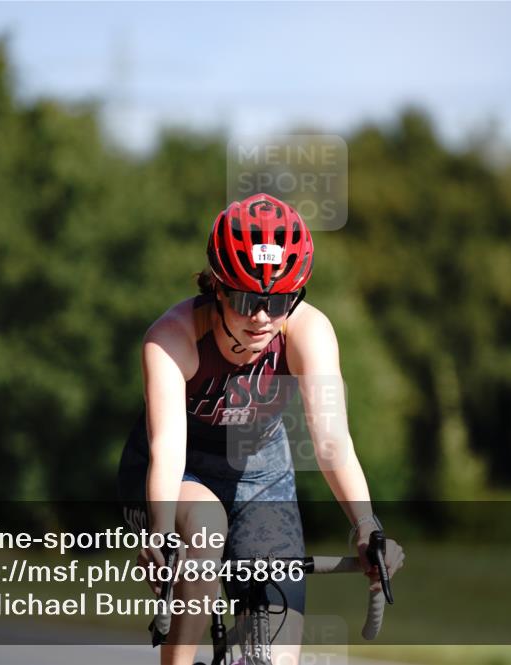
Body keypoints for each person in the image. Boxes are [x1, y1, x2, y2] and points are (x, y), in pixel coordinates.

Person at [118, 193, 404, 665]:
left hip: (259, 469)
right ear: (216, 287)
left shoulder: (308, 333)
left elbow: (331, 441)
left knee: (275, 655)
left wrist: (366, 526)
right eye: (248, 299)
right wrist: (163, 531)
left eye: (279, 301)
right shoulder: (172, 339)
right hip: (176, 470)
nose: (262, 318)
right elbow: (168, 447)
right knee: (205, 531)